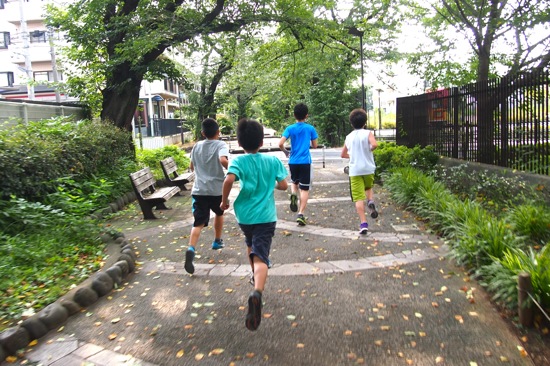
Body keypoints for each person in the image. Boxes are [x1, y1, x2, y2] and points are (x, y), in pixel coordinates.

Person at [221, 118, 288, 331]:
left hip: (245, 216)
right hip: (266, 217)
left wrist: (224, 201)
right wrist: (269, 186)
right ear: (261, 141)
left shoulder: (238, 162)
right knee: (262, 257)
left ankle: (253, 276)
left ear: (239, 143)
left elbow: (229, 180)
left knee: (250, 243)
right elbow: (284, 186)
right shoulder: (273, 161)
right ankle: (257, 292)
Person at [184, 118, 229, 274]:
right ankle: (217, 241)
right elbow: (223, 159)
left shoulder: (196, 146)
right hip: (216, 189)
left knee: (198, 222)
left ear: (202, 133)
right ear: (218, 132)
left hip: (199, 190)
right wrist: (232, 169)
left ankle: (191, 248)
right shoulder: (221, 145)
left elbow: (191, 166)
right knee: (219, 212)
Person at [278, 103, 318, 226]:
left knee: (294, 182)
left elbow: (280, 143)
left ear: (294, 115)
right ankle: (300, 214)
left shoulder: (290, 128)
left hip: (293, 161)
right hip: (305, 162)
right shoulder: (310, 128)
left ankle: (293, 194)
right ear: (306, 115)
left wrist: (286, 152)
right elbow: (315, 145)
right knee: (305, 188)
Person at [340, 108, 379, 234]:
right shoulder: (368, 133)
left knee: (358, 198)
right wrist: (369, 149)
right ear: (365, 122)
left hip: (355, 170)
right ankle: (371, 201)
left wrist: (354, 155)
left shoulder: (348, 137)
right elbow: (375, 145)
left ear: (351, 123)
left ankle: (363, 223)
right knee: (368, 187)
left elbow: (343, 154)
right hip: (368, 168)